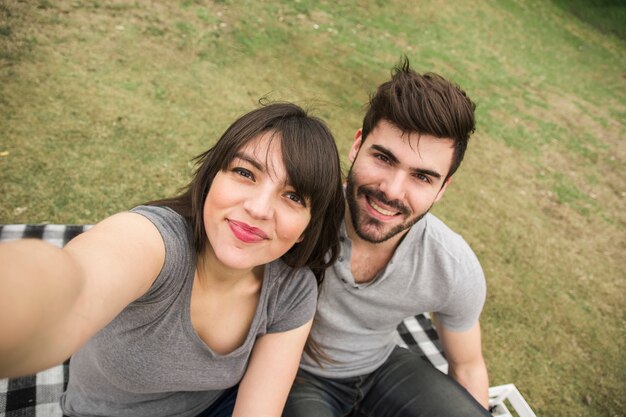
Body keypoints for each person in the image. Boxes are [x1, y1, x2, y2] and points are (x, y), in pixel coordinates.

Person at [0, 102, 345, 417]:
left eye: (293, 196)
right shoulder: (155, 243)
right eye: (245, 173)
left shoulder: (291, 288)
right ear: (211, 179)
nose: (258, 208)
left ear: (305, 229)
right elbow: (71, 284)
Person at [282, 59, 492, 417]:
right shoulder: (295, 218)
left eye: (422, 177)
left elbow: (469, 365)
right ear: (357, 146)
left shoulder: (452, 266)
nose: (392, 191)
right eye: (383, 158)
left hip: (383, 367)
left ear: (442, 188)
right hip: (297, 374)